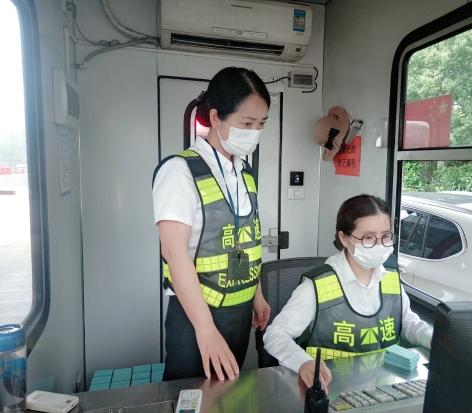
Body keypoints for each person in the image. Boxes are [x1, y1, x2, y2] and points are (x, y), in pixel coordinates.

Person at [152, 67, 271, 382]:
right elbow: (174, 253)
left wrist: (256, 295)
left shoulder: (244, 172)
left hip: (240, 310)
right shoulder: (179, 170)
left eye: (261, 123)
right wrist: (205, 329)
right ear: (216, 117)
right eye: (247, 123)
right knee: (191, 398)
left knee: (227, 395)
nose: (255, 131)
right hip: (196, 315)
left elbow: (245, 241)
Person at [263, 194, 433, 391]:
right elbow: (276, 334)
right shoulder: (317, 286)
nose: (379, 245)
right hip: (332, 390)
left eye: (386, 236)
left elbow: (408, 323)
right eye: (368, 238)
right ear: (344, 238)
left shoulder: (391, 278)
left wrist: (437, 340)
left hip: (384, 388)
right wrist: (303, 362)